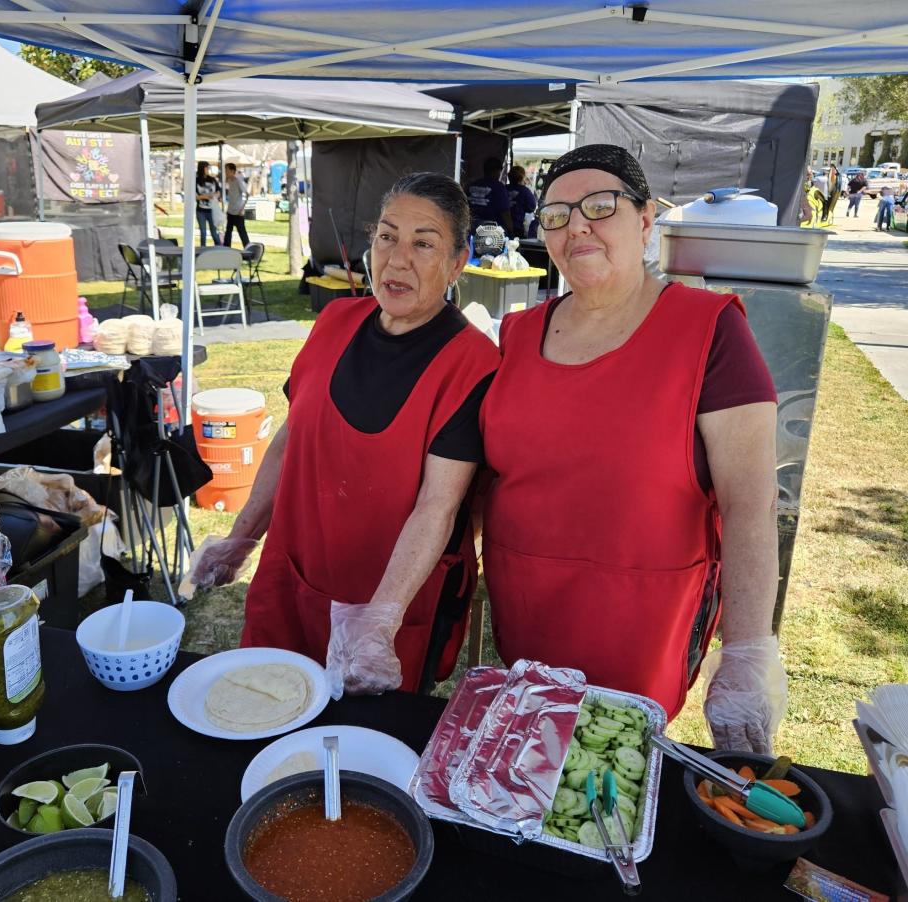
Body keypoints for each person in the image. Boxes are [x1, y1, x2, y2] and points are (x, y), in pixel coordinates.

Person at [480, 145, 787, 753]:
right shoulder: (515, 334)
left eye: (600, 206)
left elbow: (751, 506)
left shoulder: (710, 330)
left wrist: (749, 648)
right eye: (557, 215)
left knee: (613, 770)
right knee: (533, 768)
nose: (578, 227)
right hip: (526, 608)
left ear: (646, 220)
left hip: (643, 622)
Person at [190, 172, 501, 696]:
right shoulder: (334, 321)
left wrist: (380, 621)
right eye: (386, 236)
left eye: (423, 243)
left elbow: (438, 507)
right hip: (293, 578)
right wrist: (242, 535)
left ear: (457, 262)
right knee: (263, 719)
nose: (397, 259)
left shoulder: (472, 365)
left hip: (389, 605)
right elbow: (293, 439)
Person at [467, 156, 513, 237]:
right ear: (497, 171)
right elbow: (505, 212)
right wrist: (510, 230)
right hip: (491, 231)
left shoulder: (472, 185)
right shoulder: (498, 187)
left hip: (471, 227)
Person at [222, 162, 250, 248]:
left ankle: (248, 250)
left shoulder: (238, 181)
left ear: (232, 171)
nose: (225, 172)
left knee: (242, 232)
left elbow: (247, 194)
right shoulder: (228, 181)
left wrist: (242, 209)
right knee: (228, 232)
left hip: (238, 212)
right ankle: (226, 249)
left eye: (227, 170)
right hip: (230, 211)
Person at [195, 161, 221, 246]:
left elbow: (218, 192)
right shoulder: (196, 180)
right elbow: (195, 196)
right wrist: (206, 197)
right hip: (200, 211)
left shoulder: (213, 180)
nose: (208, 169)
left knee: (214, 232)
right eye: (206, 168)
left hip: (212, 210)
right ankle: (202, 250)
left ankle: (219, 248)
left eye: (208, 168)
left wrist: (215, 195)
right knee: (203, 233)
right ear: (202, 168)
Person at [507, 165, 537, 238]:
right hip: (516, 227)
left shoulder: (502, 188)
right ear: (522, 177)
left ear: (509, 176)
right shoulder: (524, 191)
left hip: (500, 226)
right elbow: (532, 207)